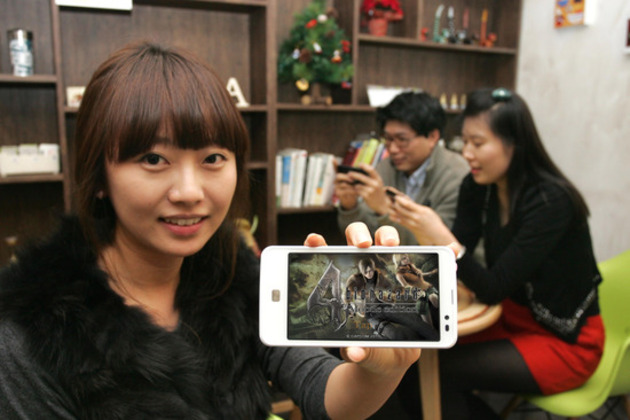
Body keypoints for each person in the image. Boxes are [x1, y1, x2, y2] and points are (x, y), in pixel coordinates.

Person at [0, 41, 420, 420]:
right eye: (153, 159)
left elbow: (321, 389)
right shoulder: (28, 336)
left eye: (213, 158)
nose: (189, 192)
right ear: (98, 178)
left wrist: (378, 372)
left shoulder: (237, 275)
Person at [387, 87, 605, 418]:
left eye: (478, 143)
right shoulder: (477, 187)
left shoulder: (552, 202)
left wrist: (441, 236)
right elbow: (459, 264)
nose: (467, 153)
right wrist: (428, 238)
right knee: (412, 360)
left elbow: (492, 285)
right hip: (508, 315)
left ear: (514, 143)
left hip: (566, 339)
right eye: (464, 142)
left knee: (436, 372)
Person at [335, 91, 469, 245]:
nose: (392, 149)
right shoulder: (386, 167)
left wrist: (384, 210)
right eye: (388, 139)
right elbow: (363, 238)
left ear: (432, 137)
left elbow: (438, 246)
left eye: (402, 139)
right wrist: (350, 207)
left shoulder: (457, 175)